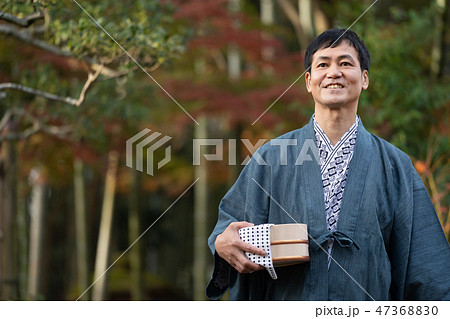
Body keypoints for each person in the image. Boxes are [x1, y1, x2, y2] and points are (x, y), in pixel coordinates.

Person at [205, 29, 450, 300]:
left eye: (345, 63)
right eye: (323, 64)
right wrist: (221, 243)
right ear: (309, 81)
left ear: (364, 78)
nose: (334, 72)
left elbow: (427, 268)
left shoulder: (395, 165)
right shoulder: (271, 158)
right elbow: (230, 228)